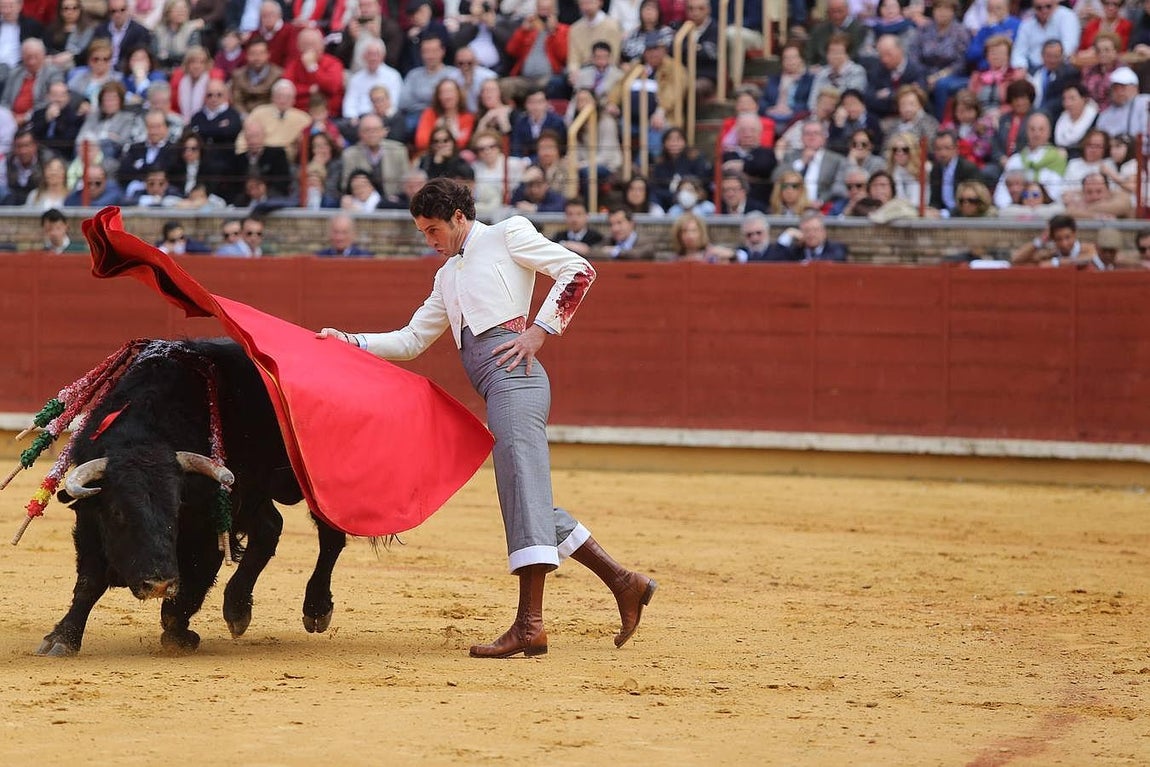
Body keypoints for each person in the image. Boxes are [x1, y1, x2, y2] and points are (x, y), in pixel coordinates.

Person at [316, 177, 657, 658]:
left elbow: (578, 270)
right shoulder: (445, 276)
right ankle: (625, 583)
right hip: (498, 387)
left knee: (520, 489)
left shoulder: (508, 233)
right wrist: (349, 341)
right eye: (422, 233)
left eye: (433, 230)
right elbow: (411, 340)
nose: (430, 241)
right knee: (528, 495)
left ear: (459, 216)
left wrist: (540, 333)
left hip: (517, 381)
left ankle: (530, 625)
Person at [1010, 213, 1096, 266]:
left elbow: (1089, 258)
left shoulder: (1089, 249)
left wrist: (1057, 263)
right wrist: (1040, 241)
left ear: (1074, 233)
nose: (1064, 244)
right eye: (1058, 239)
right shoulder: (1050, 254)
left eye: (1067, 237)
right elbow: (1016, 259)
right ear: (1052, 239)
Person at [777, 210, 849, 262]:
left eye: (815, 230)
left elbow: (834, 260)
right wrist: (788, 234)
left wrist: (806, 265)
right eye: (807, 230)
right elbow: (776, 260)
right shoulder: (795, 251)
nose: (811, 234)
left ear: (824, 232)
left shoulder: (836, 248)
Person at [592, 206, 658, 259]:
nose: (615, 228)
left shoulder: (646, 241)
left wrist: (616, 251)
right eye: (611, 224)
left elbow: (640, 253)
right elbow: (593, 251)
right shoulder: (608, 240)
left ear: (631, 223)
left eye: (619, 223)